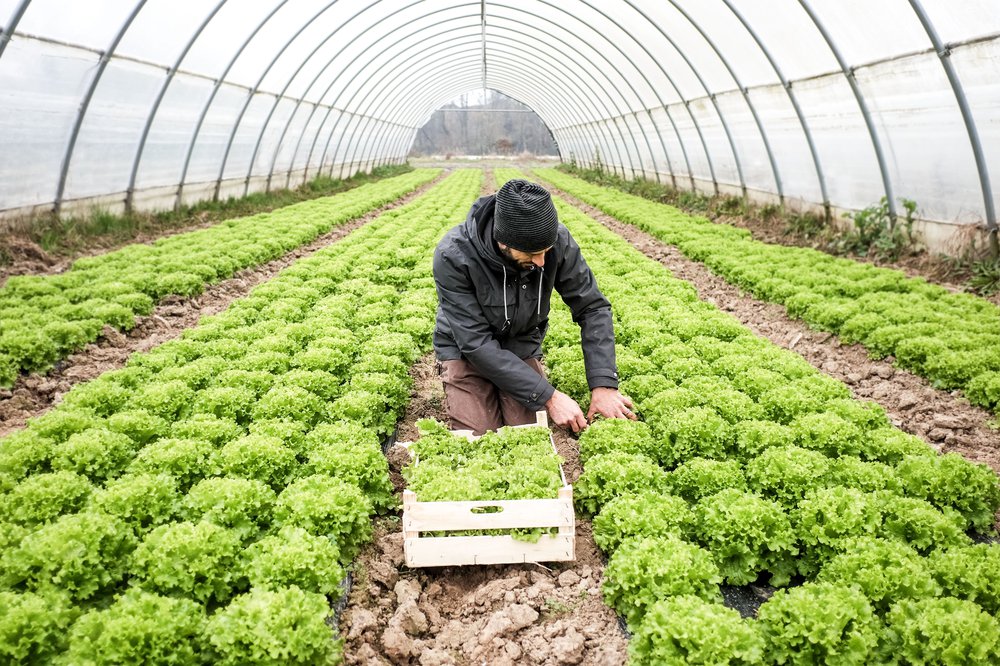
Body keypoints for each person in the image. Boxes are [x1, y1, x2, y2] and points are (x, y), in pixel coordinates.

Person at [431, 178, 635, 435]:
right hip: (465, 351)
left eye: (546, 251)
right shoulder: (454, 255)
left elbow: (592, 308)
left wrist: (604, 385)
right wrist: (550, 396)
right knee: (479, 436)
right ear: (503, 242)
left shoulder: (557, 241)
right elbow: (476, 343)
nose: (541, 262)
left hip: (520, 343)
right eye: (530, 255)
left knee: (529, 432)